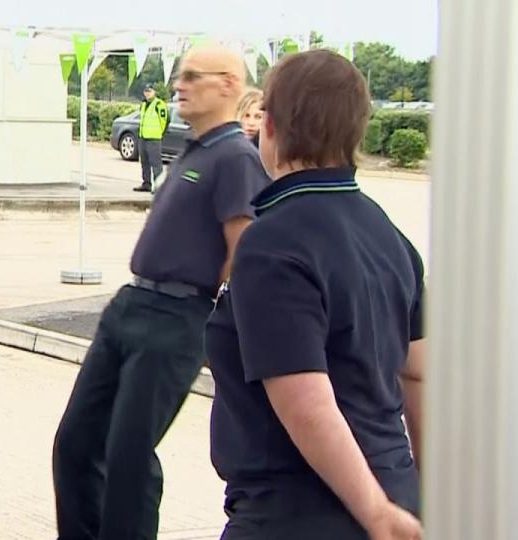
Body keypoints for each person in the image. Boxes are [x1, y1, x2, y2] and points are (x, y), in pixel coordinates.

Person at [205, 49, 425, 540]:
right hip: (394, 492)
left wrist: (374, 513)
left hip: (297, 511)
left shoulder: (272, 243)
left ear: (274, 127)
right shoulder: (389, 236)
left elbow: (307, 402)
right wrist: (424, 494)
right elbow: (419, 373)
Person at [53, 46, 270, 540]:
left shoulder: (236, 156)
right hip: (130, 305)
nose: (180, 84)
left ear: (229, 86)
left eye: (194, 76)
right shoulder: (198, 149)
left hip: (175, 316)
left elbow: (244, 251)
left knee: (129, 455)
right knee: (76, 444)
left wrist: (217, 323)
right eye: (180, 75)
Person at [133, 83, 169, 192]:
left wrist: (159, 133)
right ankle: (146, 183)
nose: (147, 94)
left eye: (149, 91)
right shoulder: (143, 104)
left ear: (154, 92)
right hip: (143, 137)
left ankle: (159, 187)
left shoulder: (159, 104)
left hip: (154, 138)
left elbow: (165, 121)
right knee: (144, 162)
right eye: (146, 91)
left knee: (156, 164)